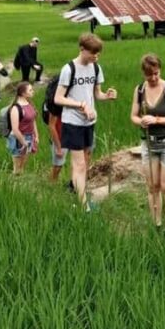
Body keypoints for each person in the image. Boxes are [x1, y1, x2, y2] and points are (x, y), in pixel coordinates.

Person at [54, 33, 117, 210]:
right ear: (82, 49)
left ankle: (77, 191)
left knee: (85, 162)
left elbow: (97, 94)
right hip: (72, 122)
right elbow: (58, 99)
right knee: (79, 164)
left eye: (98, 54)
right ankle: (83, 206)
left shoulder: (96, 68)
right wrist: (80, 105)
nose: (96, 57)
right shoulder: (69, 69)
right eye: (93, 53)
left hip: (89, 122)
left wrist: (107, 95)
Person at [130, 54, 165, 235]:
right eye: (149, 75)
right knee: (153, 187)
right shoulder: (139, 90)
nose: (153, 78)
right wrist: (141, 122)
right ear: (143, 73)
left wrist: (156, 119)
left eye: (156, 73)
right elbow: (134, 116)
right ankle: (157, 225)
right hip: (150, 144)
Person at [7, 81, 39, 175]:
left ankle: (20, 184)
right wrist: (23, 142)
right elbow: (15, 129)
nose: (33, 91)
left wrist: (36, 136)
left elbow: (33, 120)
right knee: (17, 168)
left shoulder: (29, 103)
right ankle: (14, 185)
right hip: (18, 139)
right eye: (30, 90)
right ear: (23, 93)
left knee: (23, 165)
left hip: (29, 137)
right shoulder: (16, 108)